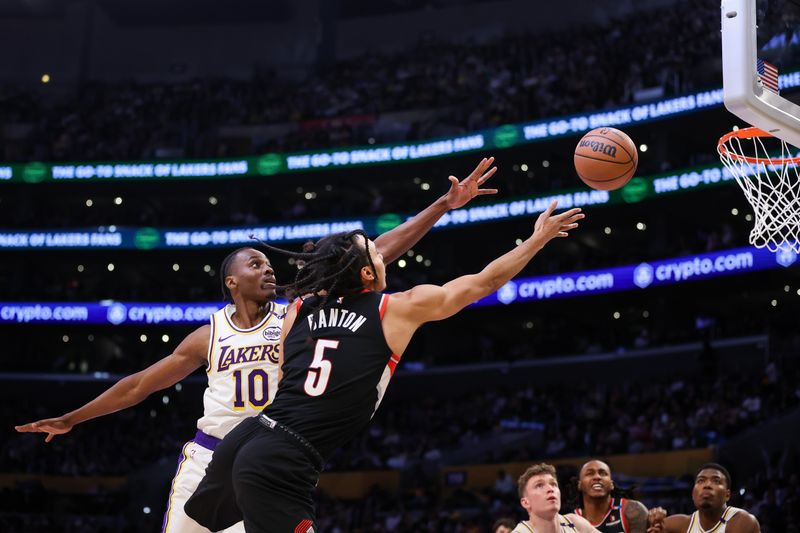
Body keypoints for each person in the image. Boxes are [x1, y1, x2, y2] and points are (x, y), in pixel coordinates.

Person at [14, 157, 499, 533]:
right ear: (231, 282)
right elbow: (139, 385)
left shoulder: (301, 311)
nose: (267, 268)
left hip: (270, 454)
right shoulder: (209, 335)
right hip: (209, 457)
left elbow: (373, 254)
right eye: (253, 264)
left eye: (268, 264)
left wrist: (441, 206)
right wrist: (73, 418)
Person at [184, 199, 584, 532]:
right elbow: (482, 282)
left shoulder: (301, 309)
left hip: (250, 436)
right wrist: (537, 239)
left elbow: (289, 365)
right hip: (283, 459)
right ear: (364, 272)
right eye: (375, 252)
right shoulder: (395, 309)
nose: (383, 252)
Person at [647, 463, 761, 533]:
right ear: (693, 494)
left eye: (716, 481)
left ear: (727, 495)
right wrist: (653, 520)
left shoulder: (742, 521)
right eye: (701, 481)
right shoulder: (679, 524)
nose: (707, 485)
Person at [573, 459, 665, 533]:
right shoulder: (569, 520)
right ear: (579, 485)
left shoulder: (632, 510)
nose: (597, 477)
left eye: (603, 473)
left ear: (612, 484)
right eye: (590, 473)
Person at [512, 462, 601, 532]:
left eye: (553, 484)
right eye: (539, 485)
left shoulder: (575, 523)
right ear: (526, 502)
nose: (550, 489)